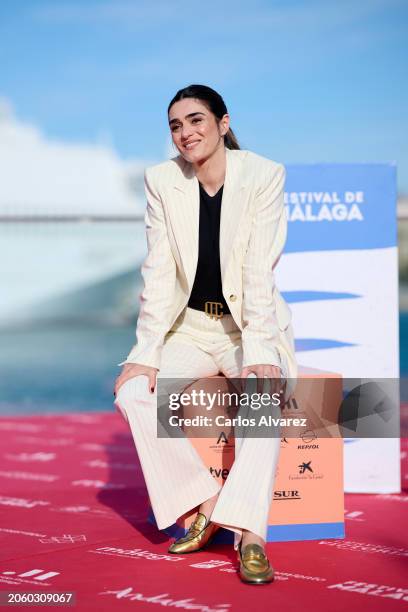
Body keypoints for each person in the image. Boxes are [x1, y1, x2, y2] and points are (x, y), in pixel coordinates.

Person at [113, 84, 297, 584]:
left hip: (245, 329)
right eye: (175, 126)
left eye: (196, 120)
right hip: (191, 327)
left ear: (223, 123)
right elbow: (158, 272)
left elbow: (260, 270)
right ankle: (206, 503)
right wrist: (144, 353)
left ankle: (250, 535)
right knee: (132, 392)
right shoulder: (161, 181)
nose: (185, 133)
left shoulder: (263, 175)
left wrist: (260, 351)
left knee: (262, 398)